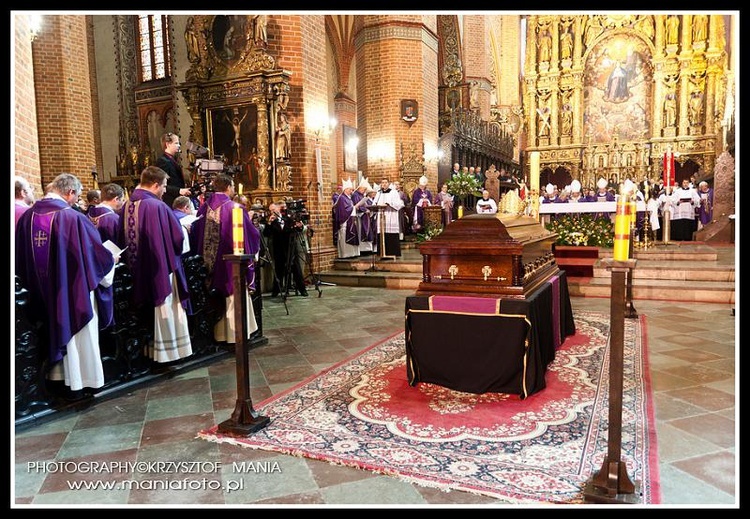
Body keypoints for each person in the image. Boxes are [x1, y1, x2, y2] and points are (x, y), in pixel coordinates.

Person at [15, 173, 116, 394]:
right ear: (70, 192)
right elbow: (96, 255)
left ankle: (57, 378)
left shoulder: (27, 218)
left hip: (41, 296)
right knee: (79, 335)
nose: (77, 200)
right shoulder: (72, 218)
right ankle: (82, 381)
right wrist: (112, 260)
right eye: (77, 195)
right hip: (72, 293)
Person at [118, 166, 193, 363]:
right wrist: (185, 230)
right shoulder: (157, 207)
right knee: (166, 307)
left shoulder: (126, 206)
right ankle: (170, 353)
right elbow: (177, 238)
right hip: (161, 269)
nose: (165, 191)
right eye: (165, 186)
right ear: (155, 184)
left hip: (136, 270)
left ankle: (149, 351)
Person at [192, 174, 260, 342]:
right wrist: (254, 228)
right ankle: (235, 334)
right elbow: (250, 234)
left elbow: (195, 234)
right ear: (228, 187)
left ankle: (219, 334)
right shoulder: (235, 208)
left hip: (207, 265)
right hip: (231, 265)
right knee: (233, 292)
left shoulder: (203, 208)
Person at [263, 201, 308, 296]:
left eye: (273, 210)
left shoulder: (288, 218)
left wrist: (299, 226)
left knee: (296, 269)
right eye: (271, 211)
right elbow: (266, 233)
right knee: (279, 270)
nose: (272, 212)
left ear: (278, 209)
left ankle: (302, 289)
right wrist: (269, 223)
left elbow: (296, 229)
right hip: (279, 249)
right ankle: (276, 290)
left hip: (290, 247)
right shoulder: (271, 221)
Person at [155, 132, 192, 208]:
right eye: (176, 143)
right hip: (170, 201)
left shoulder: (172, 159)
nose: (179, 146)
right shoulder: (163, 161)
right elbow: (162, 184)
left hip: (177, 199)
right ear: (168, 144)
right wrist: (179, 190)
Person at [374, 178, 404, 257]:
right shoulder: (379, 193)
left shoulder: (393, 192)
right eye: (382, 182)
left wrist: (389, 203)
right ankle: (381, 252)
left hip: (391, 215)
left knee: (391, 233)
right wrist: (375, 205)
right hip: (381, 216)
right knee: (381, 233)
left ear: (389, 183)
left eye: (385, 182)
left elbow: (399, 203)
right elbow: (374, 203)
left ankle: (393, 252)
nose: (384, 184)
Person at [332, 178, 359, 259]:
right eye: (350, 189)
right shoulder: (342, 198)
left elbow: (349, 207)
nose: (351, 191)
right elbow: (345, 210)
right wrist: (354, 207)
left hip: (350, 220)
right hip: (345, 222)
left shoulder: (348, 198)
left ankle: (351, 253)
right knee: (344, 236)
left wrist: (354, 207)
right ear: (346, 189)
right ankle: (346, 254)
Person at [351, 177, 374, 255]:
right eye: (364, 189)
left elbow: (364, 204)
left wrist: (367, 209)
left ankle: (366, 249)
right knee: (362, 231)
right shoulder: (355, 195)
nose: (364, 191)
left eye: (365, 190)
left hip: (365, 216)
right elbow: (357, 205)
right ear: (359, 188)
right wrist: (365, 210)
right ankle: (363, 249)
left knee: (366, 230)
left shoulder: (361, 195)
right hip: (360, 216)